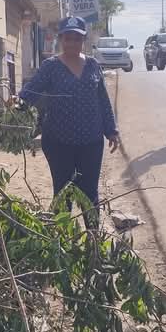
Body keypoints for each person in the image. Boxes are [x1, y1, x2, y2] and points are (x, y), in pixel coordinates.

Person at [19, 16, 121, 225]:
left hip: (91, 141)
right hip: (58, 142)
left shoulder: (93, 65)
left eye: (77, 39)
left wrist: (111, 130)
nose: (72, 43)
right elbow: (32, 91)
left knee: (89, 191)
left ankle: (93, 238)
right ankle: (63, 237)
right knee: (63, 190)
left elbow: (102, 99)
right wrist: (17, 103)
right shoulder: (51, 66)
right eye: (68, 38)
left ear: (83, 40)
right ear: (61, 39)